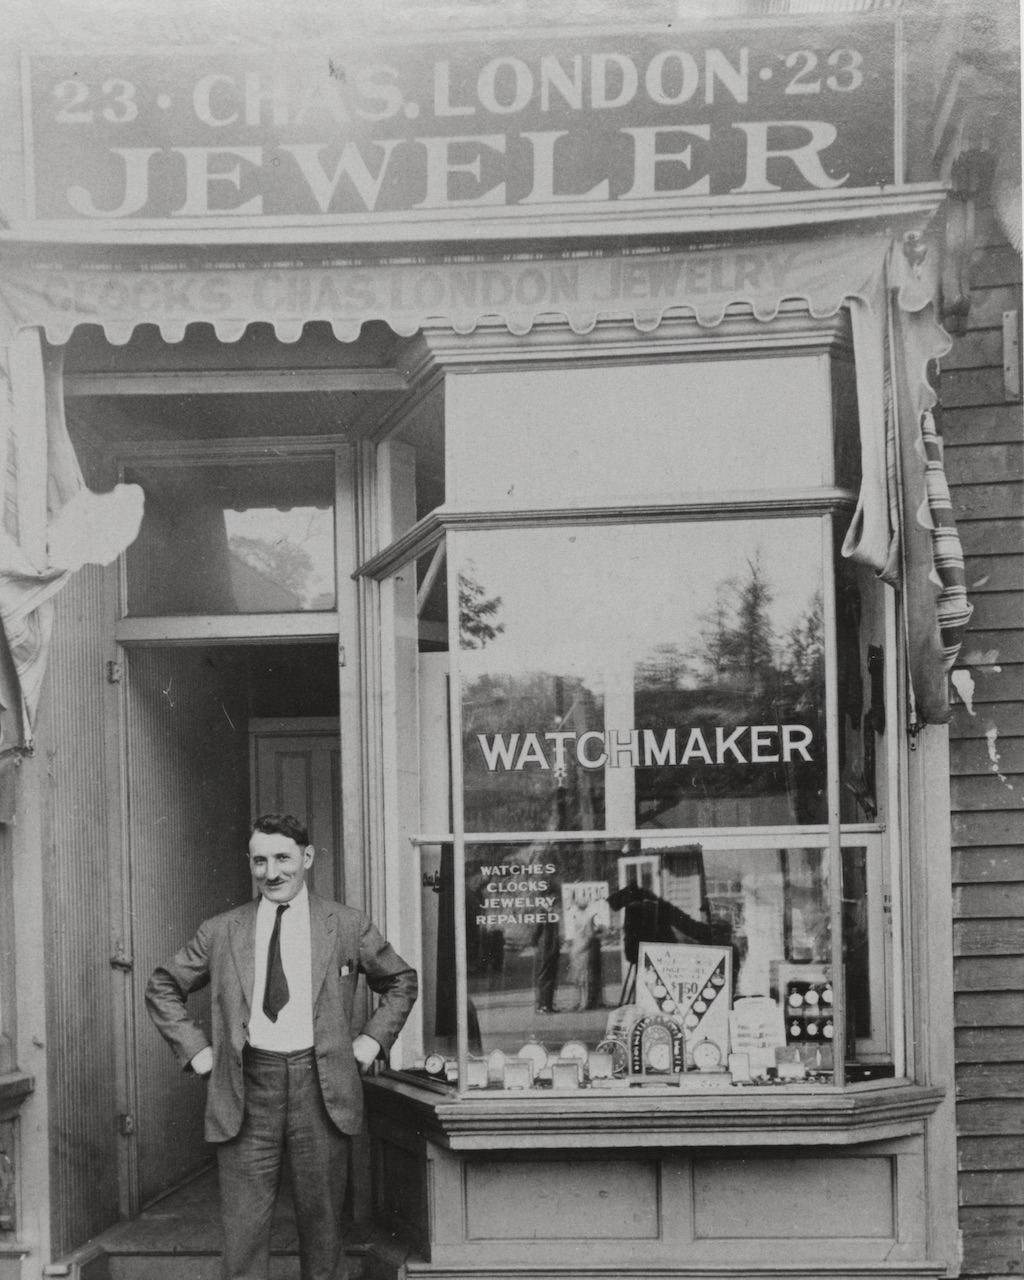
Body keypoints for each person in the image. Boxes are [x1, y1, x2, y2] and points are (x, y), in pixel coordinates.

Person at [145, 813, 417, 1280]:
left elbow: (401, 981)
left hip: (322, 1088)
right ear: (250, 864)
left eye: (283, 858)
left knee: (324, 1232)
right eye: (260, 861)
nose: (271, 872)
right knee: (245, 1235)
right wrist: (200, 1052)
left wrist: (371, 1041)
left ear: (307, 858)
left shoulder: (346, 925)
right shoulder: (222, 930)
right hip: (247, 1090)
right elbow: (163, 986)